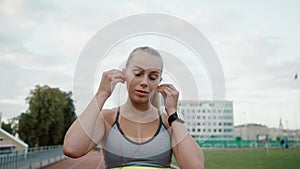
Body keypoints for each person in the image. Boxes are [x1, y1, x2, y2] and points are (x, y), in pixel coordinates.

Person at [63, 46, 205, 169]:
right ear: (125, 74)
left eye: (152, 77)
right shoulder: (108, 119)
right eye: (138, 74)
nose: (144, 82)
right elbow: (72, 149)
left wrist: (173, 113)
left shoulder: (168, 122)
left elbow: (196, 167)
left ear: (159, 82)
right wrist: (102, 94)